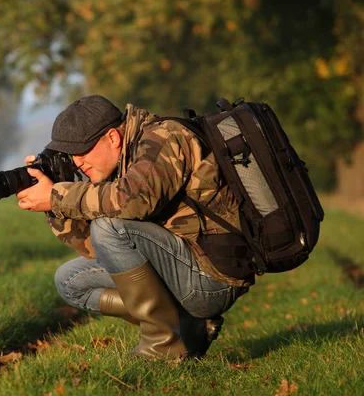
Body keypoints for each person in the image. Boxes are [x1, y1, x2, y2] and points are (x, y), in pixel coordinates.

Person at [16, 95, 253, 360]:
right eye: (71, 155)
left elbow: (131, 202)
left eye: (82, 152)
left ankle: (162, 346)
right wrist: (54, 203)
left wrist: (60, 196)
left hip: (211, 278)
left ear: (113, 138)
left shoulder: (165, 138)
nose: (77, 162)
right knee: (71, 281)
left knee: (110, 226)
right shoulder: (124, 162)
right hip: (181, 268)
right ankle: (188, 327)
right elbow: (95, 248)